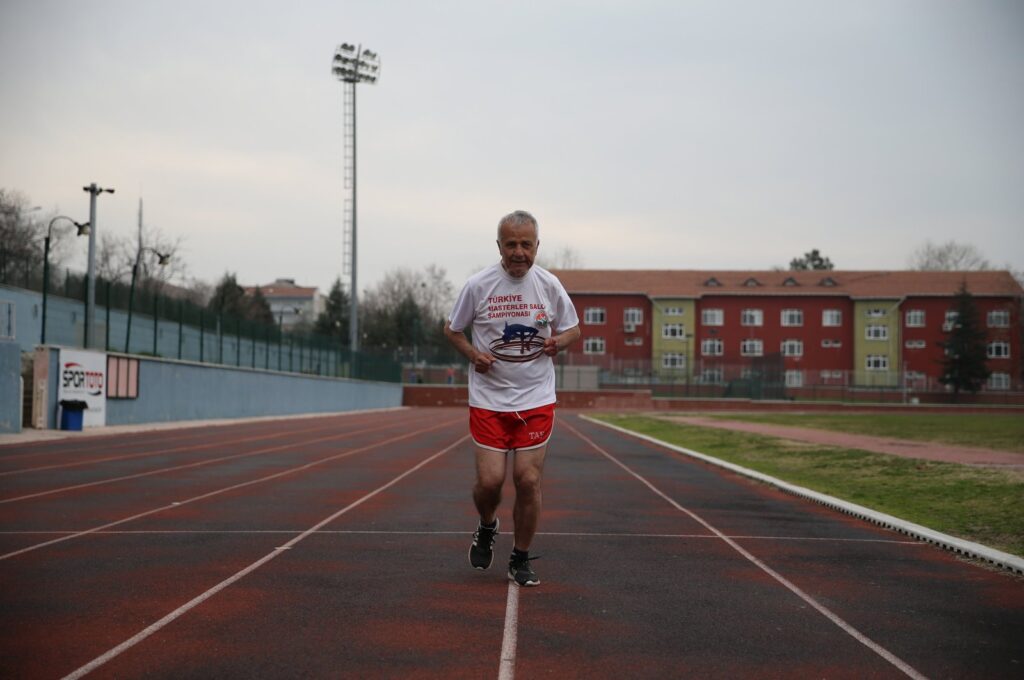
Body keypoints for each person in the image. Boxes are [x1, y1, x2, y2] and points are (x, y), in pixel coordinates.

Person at [444, 210, 580, 587]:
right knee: (490, 483)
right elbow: (453, 330)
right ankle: (488, 525)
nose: (519, 252)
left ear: (537, 246)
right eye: (511, 244)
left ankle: (520, 557)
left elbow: (573, 329)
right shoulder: (478, 285)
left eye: (526, 244)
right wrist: (474, 355)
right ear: (499, 246)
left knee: (527, 478)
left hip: (535, 396)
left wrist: (557, 342)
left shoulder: (549, 284)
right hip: (489, 398)